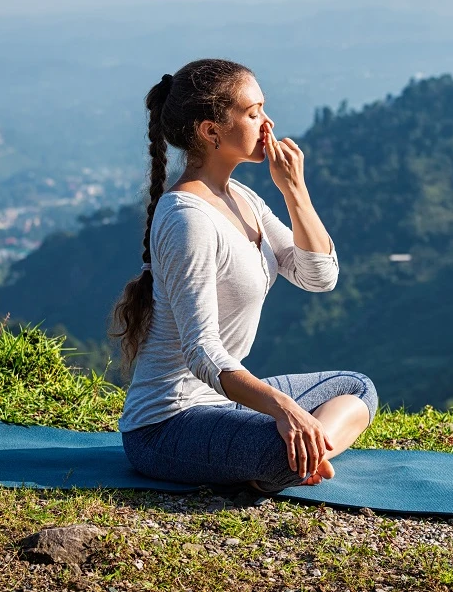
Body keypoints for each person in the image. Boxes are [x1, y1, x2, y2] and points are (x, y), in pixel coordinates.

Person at [110, 58, 378, 495]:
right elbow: (203, 353)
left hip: (221, 404)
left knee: (355, 389)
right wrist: (283, 409)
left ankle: (301, 458)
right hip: (166, 427)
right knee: (282, 442)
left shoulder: (243, 198)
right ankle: (290, 459)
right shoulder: (187, 219)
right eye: (252, 113)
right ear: (211, 132)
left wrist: (295, 191)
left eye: (263, 109)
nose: (267, 123)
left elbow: (318, 276)